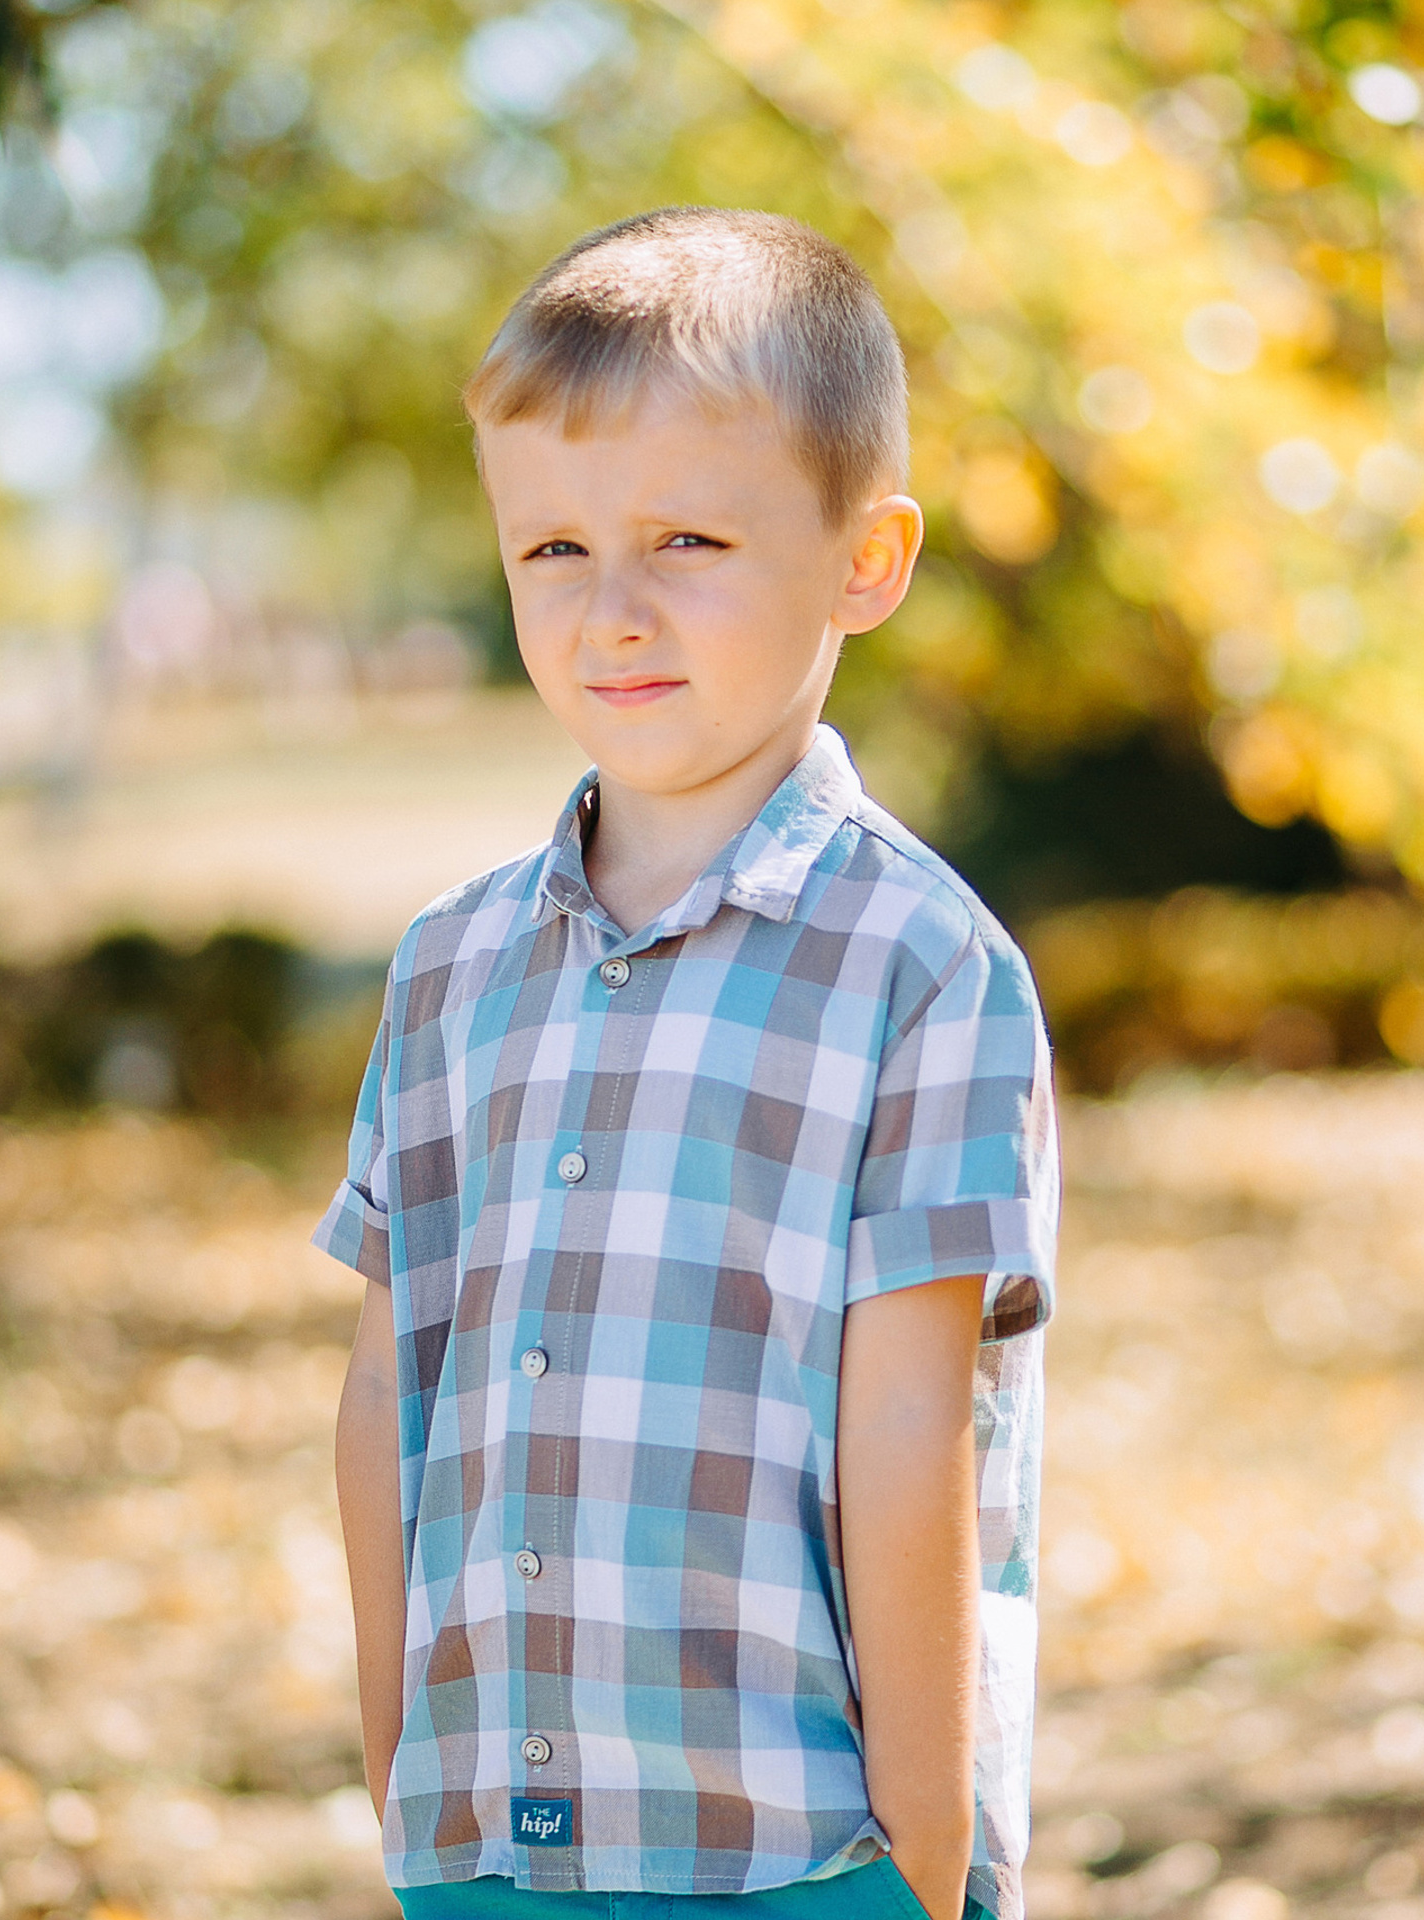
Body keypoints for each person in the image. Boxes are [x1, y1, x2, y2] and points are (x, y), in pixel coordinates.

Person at [321, 206, 1058, 1920]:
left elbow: (910, 1414)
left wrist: (928, 1848)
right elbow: (383, 1382)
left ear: (865, 563)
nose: (614, 612)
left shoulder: (923, 967)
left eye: (688, 540)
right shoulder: (450, 967)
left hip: (809, 1848)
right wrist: (394, 1752)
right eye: (552, 552)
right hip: (493, 1836)